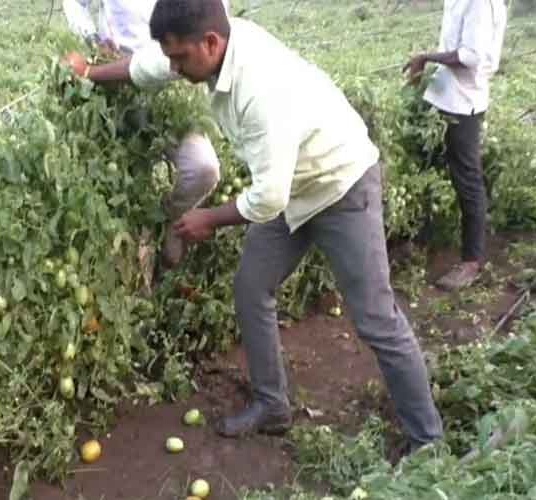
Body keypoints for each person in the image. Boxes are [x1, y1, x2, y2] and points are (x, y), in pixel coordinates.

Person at [131, 0, 444, 450]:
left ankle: (427, 440)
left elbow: (267, 197)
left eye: (180, 58)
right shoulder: (206, 45)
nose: (175, 67)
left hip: (340, 185)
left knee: (376, 318)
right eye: (172, 57)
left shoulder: (259, 88)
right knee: (251, 288)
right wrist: (89, 73)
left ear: (210, 43)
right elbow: (148, 66)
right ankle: (272, 405)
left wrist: (209, 219)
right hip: (292, 187)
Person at [62, 0, 225, 269]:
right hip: (112, 78)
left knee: (203, 167)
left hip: (175, 84)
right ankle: (129, 255)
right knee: (121, 178)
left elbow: (216, 23)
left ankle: (168, 221)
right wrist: (93, 39)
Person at [404, 0, 508, 291]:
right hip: (441, 95)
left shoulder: (480, 3)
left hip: (464, 103)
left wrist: (426, 57)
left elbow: (471, 56)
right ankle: (421, 239)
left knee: (467, 179)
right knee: (425, 168)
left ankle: (471, 261)